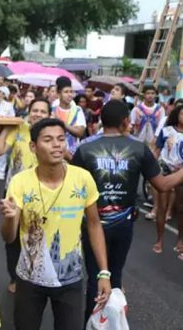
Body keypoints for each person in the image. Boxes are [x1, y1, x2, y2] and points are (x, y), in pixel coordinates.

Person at [71, 100, 183, 323]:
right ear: (124, 121)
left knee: (95, 278)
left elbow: (74, 189)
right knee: (115, 275)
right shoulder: (138, 148)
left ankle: (92, 324)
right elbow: (162, 185)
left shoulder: (84, 148)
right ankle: (113, 323)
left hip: (92, 224)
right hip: (123, 224)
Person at [0, 118, 111, 330]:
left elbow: (94, 225)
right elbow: (8, 237)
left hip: (70, 280)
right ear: (33, 147)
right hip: (28, 278)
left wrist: (104, 273)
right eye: (48, 140)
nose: (57, 145)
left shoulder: (82, 178)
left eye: (61, 139)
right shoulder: (20, 182)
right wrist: (9, 217)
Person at [0, 98, 51, 293]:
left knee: (37, 234)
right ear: (28, 111)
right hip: (15, 193)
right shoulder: (19, 130)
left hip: (42, 195)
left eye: (43, 111)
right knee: (13, 238)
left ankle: (37, 273)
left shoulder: (51, 135)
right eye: (35, 110)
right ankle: (15, 277)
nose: (38, 114)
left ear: (49, 115)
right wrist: (8, 128)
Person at [152, 103, 183, 255]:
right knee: (162, 208)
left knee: (181, 208)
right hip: (164, 170)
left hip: (181, 172)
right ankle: (159, 239)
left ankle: (181, 240)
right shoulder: (167, 131)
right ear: (177, 115)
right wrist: (150, 169)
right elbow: (156, 151)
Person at [52, 77, 85, 151]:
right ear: (59, 94)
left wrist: (61, 122)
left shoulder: (77, 110)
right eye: (66, 92)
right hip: (55, 150)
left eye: (71, 92)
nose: (69, 95)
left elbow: (79, 132)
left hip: (72, 152)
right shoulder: (52, 110)